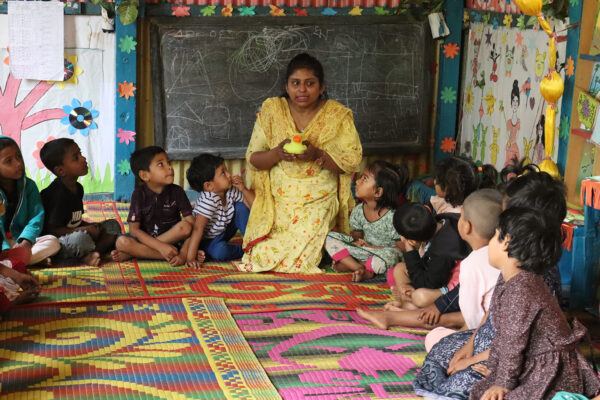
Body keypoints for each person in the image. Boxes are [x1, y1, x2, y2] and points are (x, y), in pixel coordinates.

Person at [413, 170, 572, 399]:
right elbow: (492, 313)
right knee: (441, 348)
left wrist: (481, 361)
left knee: (465, 382)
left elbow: (517, 343)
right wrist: (470, 344)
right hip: (496, 347)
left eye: (504, 222)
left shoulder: (532, 280)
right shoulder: (514, 265)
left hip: (523, 361)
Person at [235, 53, 362, 274]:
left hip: (319, 197)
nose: (302, 90)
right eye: (295, 83)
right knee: (263, 255)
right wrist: (277, 154)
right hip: (280, 197)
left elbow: (350, 163)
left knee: (302, 258)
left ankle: (320, 247)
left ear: (321, 87)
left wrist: (317, 154)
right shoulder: (273, 111)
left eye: (309, 83)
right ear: (287, 86)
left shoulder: (337, 115)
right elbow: (254, 158)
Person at [469, 207, 600, 400]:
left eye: (494, 236)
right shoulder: (512, 279)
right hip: (534, 365)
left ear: (506, 242)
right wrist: (497, 371)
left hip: (552, 375)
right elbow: (506, 337)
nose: (489, 243)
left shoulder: (521, 288)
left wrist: (503, 383)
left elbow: (513, 341)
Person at [358, 189, 502, 334]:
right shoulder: (446, 220)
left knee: (422, 300)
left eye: (462, 217)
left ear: (467, 226)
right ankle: (405, 308)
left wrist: (438, 307)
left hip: (456, 298)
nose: (459, 217)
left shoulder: (464, 258)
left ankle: (398, 314)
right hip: (450, 289)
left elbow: (461, 299)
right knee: (400, 270)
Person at [40, 138, 121, 266]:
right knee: (81, 239)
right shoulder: (57, 194)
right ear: (61, 170)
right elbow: (52, 230)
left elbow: (74, 221)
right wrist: (84, 230)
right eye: (75, 158)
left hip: (75, 232)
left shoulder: (78, 188)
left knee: (112, 225)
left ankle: (94, 253)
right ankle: (77, 259)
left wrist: (91, 227)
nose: (83, 159)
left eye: (80, 153)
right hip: (57, 241)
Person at [324, 161, 408, 282]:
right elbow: (356, 238)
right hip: (365, 251)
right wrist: (356, 242)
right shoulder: (358, 211)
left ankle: (359, 267)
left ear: (378, 192)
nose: (357, 181)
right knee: (329, 237)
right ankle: (359, 267)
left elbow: (401, 249)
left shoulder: (393, 217)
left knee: (392, 257)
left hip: (382, 255)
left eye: (364, 179)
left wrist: (372, 247)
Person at [111, 146, 194, 266]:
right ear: (145, 175)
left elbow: (193, 226)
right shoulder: (139, 194)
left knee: (185, 227)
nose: (169, 167)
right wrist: (161, 248)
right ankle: (166, 255)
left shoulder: (177, 191)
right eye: (161, 164)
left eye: (168, 162)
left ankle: (135, 253)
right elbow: (134, 230)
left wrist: (184, 253)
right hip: (147, 239)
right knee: (121, 242)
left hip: (173, 240)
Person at [386, 202, 470, 310]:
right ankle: (408, 301)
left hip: (456, 290)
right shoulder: (448, 219)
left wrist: (408, 246)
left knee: (419, 296)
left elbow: (429, 285)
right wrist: (410, 287)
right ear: (428, 209)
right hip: (439, 277)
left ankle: (410, 307)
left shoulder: (443, 252)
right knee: (399, 269)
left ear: (413, 242)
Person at [185, 154, 254, 268]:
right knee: (220, 252)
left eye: (226, 170)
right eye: (223, 172)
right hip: (208, 239)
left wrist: (243, 189)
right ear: (209, 186)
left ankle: (253, 243)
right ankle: (245, 250)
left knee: (241, 207)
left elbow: (253, 206)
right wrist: (191, 257)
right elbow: (198, 229)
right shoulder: (208, 200)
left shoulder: (230, 190)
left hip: (224, 230)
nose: (228, 175)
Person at [0, 136, 60, 266]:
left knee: (53, 242)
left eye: (18, 157)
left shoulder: (29, 186)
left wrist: (26, 242)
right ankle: (20, 262)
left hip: (20, 240)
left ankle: (12, 263)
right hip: (2, 244)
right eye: (8, 161)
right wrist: (5, 250)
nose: (18, 163)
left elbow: (36, 217)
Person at [429, 156, 497, 215]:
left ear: (448, 189)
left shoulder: (453, 216)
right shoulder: (465, 202)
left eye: (437, 179)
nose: (434, 182)